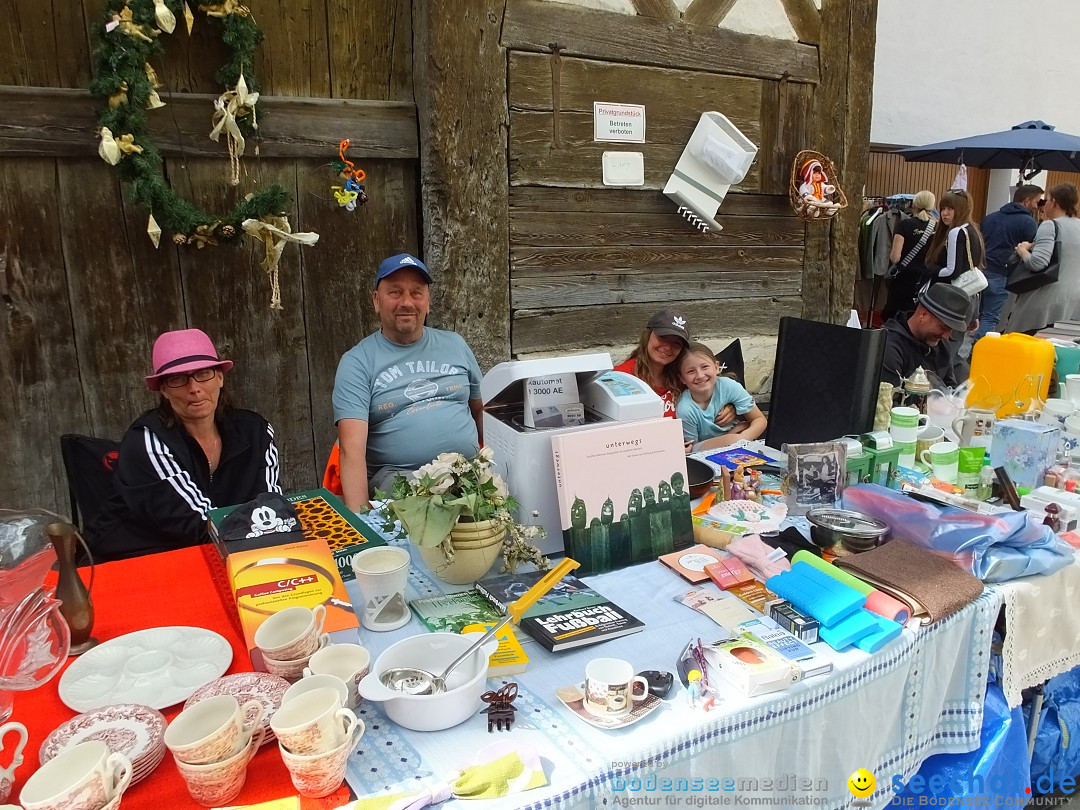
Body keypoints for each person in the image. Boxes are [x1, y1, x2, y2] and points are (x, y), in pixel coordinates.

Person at [92, 329, 282, 560]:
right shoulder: (148, 440)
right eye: (178, 379)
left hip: (228, 552)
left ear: (220, 377)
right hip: (138, 559)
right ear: (163, 390)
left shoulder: (256, 431)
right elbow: (197, 523)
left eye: (203, 373)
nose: (193, 388)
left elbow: (272, 507)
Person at [333, 253, 483, 510]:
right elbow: (351, 449)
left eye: (416, 293)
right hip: (400, 481)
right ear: (376, 301)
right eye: (395, 293)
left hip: (468, 470)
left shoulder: (455, 344)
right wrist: (364, 522)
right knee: (440, 509)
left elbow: (480, 411)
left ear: (428, 302)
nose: (407, 302)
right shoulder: (357, 362)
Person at [1003, 183, 1080, 334]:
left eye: (1046, 200)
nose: (1043, 205)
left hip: (1046, 301)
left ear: (1054, 202)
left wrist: (1022, 250)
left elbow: (1037, 263)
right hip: (1074, 303)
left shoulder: (1050, 226)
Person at [975, 184, 1042, 340]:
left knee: (977, 315)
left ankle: (967, 350)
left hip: (981, 272)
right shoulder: (1027, 222)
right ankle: (979, 350)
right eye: (1037, 202)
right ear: (1027, 201)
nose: (1038, 206)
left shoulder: (990, 217)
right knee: (990, 317)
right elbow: (1035, 249)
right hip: (1002, 273)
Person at [676, 343, 767, 451]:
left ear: (717, 367)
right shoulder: (685, 409)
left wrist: (742, 438)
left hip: (741, 442)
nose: (700, 375)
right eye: (691, 371)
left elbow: (759, 419)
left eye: (705, 367)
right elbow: (693, 448)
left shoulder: (729, 386)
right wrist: (731, 437)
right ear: (682, 378)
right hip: (708, 452)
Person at [881, 284, 973, 388]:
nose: (946, 337)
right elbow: (888, 398)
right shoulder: (889, 346)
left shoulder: (942, 346)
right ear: (923, 315)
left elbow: (950, 389)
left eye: (951, 330)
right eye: (943, 327)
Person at [882, 191, 937, 320]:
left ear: (914, 204)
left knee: (896, 317)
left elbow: (895, 257)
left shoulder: (905, 225)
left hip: (904, 279)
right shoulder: (938, 228)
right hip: (926, 281)